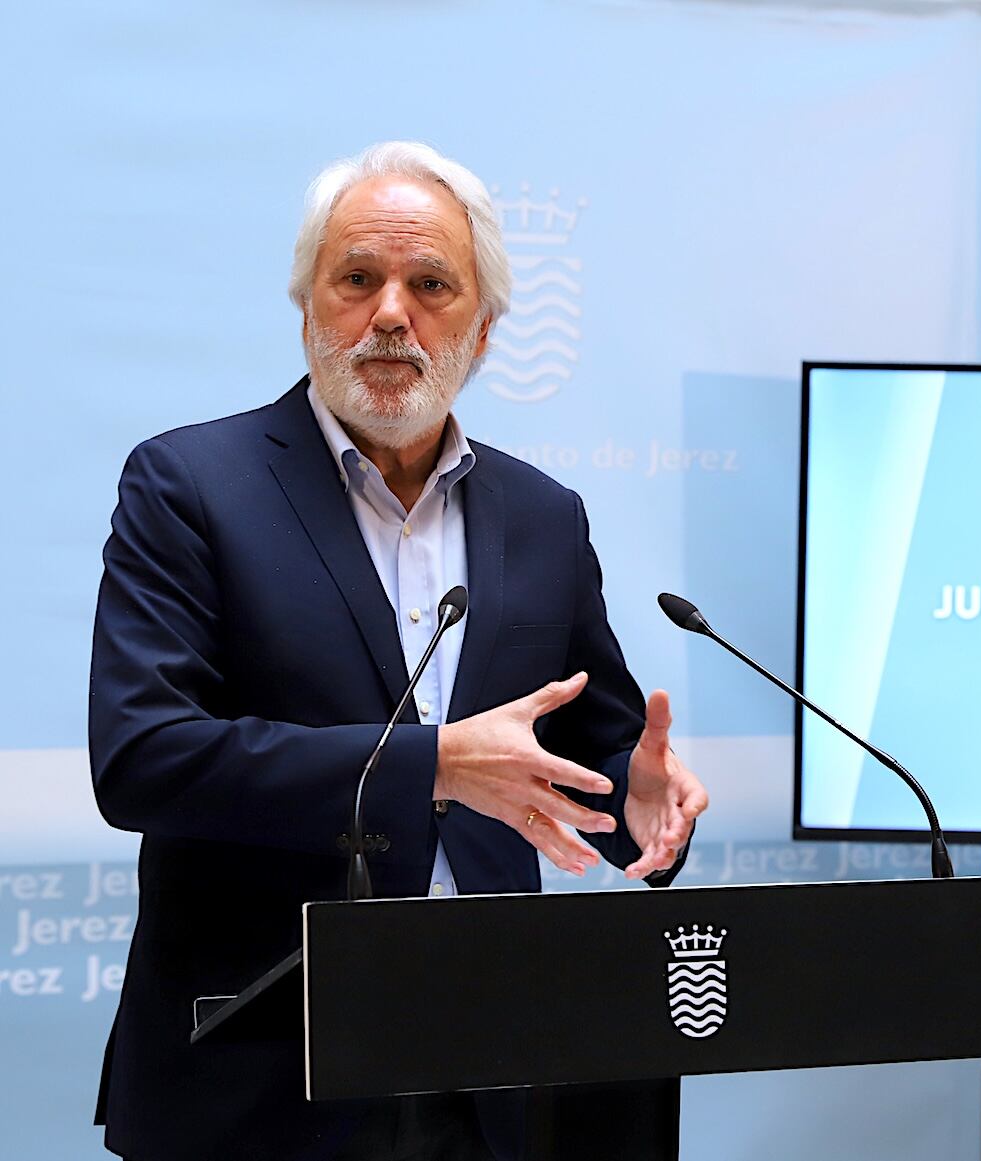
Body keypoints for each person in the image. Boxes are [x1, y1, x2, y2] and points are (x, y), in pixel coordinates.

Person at [87, 141, 709, 1160]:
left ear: (485, 330)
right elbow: (143, 760)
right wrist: (436, 767)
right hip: (256, 1079)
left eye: (429, 285)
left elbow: (582, 769)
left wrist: (636, 801)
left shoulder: (544, 519)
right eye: (357, 279)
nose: (389, 314)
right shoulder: (190, 487)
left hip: (489, 1074)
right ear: (306, 309)